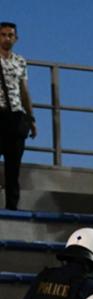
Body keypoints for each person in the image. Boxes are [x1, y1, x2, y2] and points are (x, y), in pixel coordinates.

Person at [0, 21, 36, 210]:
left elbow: (24, 90)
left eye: (10, 35)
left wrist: (31, 118)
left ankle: (12, 208)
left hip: (15, 116)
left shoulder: (20, 61)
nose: (7, 38)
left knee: (13, 167)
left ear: (16, 38)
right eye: (3, 35)